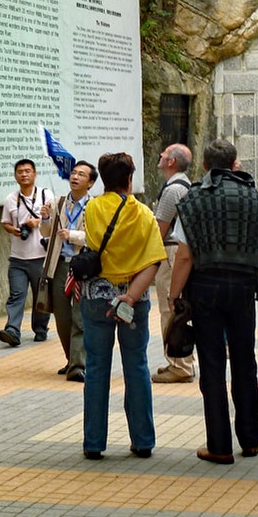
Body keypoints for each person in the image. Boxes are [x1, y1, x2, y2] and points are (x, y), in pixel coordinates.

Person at [169, 139, 258, 465]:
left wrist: (175, 295)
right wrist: (249, 273)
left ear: (203, 165)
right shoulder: (254, 197)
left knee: (213, 366)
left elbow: (184, 256)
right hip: (243, 288)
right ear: (234, 163)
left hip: (205, 289)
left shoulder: (194, 198)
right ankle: (251, 439)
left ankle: (219, 445)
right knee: (245, 362)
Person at [80, 153, 166, 460]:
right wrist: (129, 296)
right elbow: (155, 260)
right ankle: (143, 440)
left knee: (97, 368)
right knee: (137, 366)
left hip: (95, 297)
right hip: (133, 299)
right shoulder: (142, 214)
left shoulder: (91, 208)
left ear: (102, 178)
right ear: (130, 179)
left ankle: (94, 442)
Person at [41, 160, 96, 382]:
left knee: (79, 317)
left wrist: (72, 235)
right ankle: (71, 359)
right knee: (62, 317)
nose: (75, 177)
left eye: (81, 175)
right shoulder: (59, 202)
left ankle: (79, 364)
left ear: (90, 183)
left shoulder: (95, 206)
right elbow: (46, 232)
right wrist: (45, 217)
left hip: (82, 266)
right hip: (60, 264)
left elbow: (95, 236)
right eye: (73, 173)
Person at [151, 144, 195, 384]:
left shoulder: (172, 191)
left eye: (164, 154)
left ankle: (179, 364)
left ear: (171, 162)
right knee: (177, 307)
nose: (160, 155)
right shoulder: (184, 185)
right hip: (177, 250)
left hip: (171, 252)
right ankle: (181, 360)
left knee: (170, 308)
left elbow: (160, 229)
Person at [0, 159, 54, 346]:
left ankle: (40, 328)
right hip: (18, 258)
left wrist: (38, 221)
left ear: (35, 174)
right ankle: (12, 330)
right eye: (20, 171)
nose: (24, 174)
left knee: (41, 296)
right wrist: (12, 230)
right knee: (16, 294)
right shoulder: (10, 199)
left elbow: (54, 220)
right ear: (15, 176)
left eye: (28, 171)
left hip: (40, 257)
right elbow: (5, 222)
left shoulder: (46, 196)